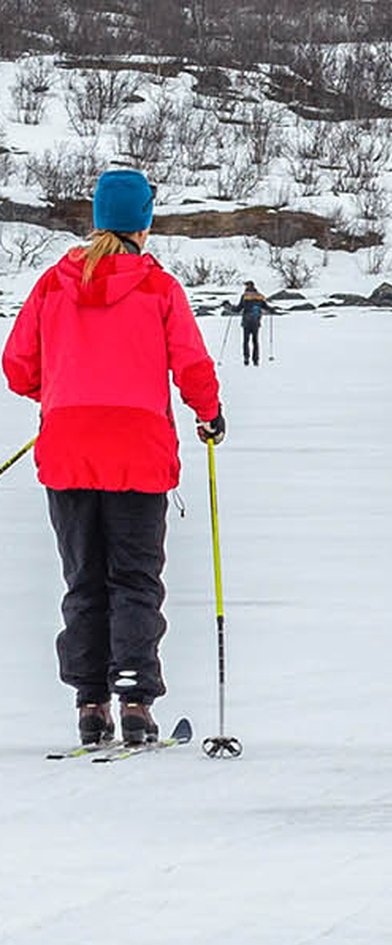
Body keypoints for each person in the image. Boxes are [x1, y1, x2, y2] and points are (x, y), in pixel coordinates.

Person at [3, 168, 225, 746]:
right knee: (134, 578)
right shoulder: (158, 287)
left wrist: (63, 397)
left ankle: (90, 703)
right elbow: (193, 366)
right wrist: (209, 414)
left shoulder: (53, 283)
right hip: (138, 453)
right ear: (143, 224)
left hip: (68, 449)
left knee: (84, 580)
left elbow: (18, 366)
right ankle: (134, 697)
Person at [231, 280, 276, 366]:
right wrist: (272, 309)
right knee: (255, 341)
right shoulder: (259, 296)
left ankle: (246, 358)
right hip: (256, 321)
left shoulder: (244, 296)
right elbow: (265, 307)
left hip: (246, 322)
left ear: (248, 286)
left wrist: (231, 308)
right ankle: (256, 360)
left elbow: (238, 308)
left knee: (246, 341)